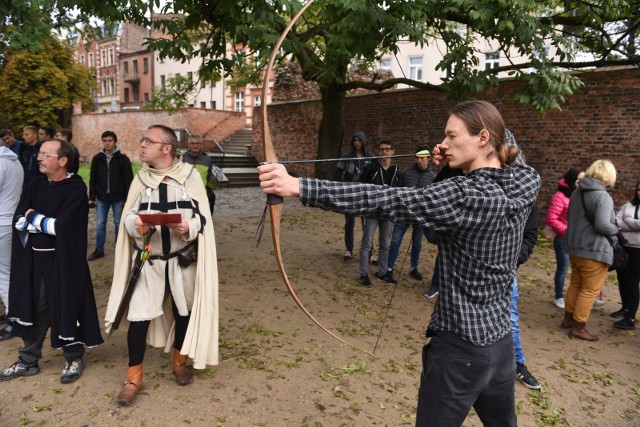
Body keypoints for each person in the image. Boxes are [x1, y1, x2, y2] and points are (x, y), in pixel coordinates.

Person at [258, 100, 540, 426]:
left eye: (451, 136)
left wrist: (298, 186)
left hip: (459, 353)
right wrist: (454, 160)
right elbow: (510, 145)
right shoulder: (525, 180)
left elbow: (388, 199)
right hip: (501, 347)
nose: (443, 144)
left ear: (482, 137)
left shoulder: (462, 196)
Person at [104, 124, 219, 406]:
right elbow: (129, 215)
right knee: (139, 318)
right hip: (149, 261)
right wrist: (136, 224)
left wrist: (188, 226)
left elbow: (203, 218)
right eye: (142, 139)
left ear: (166, 148)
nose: (142, 144)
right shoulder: (141, 179)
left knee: (184, 312)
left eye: (148, 141)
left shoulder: (190, 177)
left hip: (182, 261)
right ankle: (133, 378)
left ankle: (179, 361)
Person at [0, 138, 104, 383]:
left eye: (46, 154)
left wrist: (34, 217)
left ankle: (73, 356)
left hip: (65, 263)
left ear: (62, 160)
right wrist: (42, 223)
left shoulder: (76, 190)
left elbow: (63, 228)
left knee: (67, 305)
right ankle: (28, 360)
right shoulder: (35, 185)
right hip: (35, 263)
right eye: (40, 154)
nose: (39, 158)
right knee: (34, 308)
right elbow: (18, 220)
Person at [561, 160, 618, 341]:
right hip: (594, 250)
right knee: (590, 290)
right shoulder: (603, 196)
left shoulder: (577, 192)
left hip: (575, 248)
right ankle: (579, 326)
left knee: (576, 283)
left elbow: (570, 216)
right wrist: (617, 228)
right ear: (608, 176)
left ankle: (568, 319)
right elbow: (603, 225)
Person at [386, 148, 436, 281]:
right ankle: (389, 268)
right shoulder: (406, 173)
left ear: (428, 158)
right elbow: (398, 191)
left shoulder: (432, 177)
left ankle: (414, 267)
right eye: (417, 158)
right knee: (395, 240)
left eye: (422, 158)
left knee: (417, 243)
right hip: (404, 213)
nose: (419, 160)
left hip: (420, 216)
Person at [358, 140, 400, 287]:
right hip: (372, 212)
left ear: (392, 152)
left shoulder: (396, 171)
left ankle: (382, 272)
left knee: (385, 244)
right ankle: (363, 273)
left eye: (387, 150)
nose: (384, 152)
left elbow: (399, 191)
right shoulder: (371, 168)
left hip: (387, 213)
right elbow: (361, 186)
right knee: (367, 243)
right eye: (382, 150)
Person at [87, 131, 134, 261]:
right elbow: (93, 178)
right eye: (105, 141)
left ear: (115, 142)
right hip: (102, 197)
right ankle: (99, 249)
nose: (107, 143)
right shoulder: (97, 158)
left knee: (119, 223)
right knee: (100, 224)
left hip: (118, 197)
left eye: (110, 140)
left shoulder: (123, 159)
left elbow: (128, 179)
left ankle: (120, 249)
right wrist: (91, 197)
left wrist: (127, 198)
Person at [512, 205, 541, 390]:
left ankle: (517, 364)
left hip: (506, 270)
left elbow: (530, 234)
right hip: (469, 270)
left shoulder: (523, 194)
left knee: (510, 319)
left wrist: (515, 258)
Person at [334, 131, 375, 261]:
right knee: (349, 223)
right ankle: (349, 250)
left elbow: (376, 175)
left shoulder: (371, 157)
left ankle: (369, 253)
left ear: (363, 142)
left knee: (367, 225)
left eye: (359, 140)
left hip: (365, 195)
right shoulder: (347, 156)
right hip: (350, 194)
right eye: (355, 140)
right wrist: (341, 189)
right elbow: (337, 174)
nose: (357, 143)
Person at [545, 168, 580, 310]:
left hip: (578, 239)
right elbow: (551, 219)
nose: (582, 184)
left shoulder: (579, 195)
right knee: (563, 268)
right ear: (572, 181)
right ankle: (559, 296)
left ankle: (582, 295)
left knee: (579, 268)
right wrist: (567, 231)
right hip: (563, 238)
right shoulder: (560, 196)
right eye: (579, 181)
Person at [0, 140, 23, 341]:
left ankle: (13, 317)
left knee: (5, 274)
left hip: (2, 221)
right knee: (8, 272)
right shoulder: (13, 160)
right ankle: (13, 311)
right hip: (10, 219)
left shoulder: (1, 162)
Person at [612, 181, 640, 330]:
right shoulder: (628, 205)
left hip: (638, 249)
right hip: (624, 246)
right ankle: (624, 307)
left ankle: (630, 317)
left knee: (633, 282)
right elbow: (616, 220)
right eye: (639, 188)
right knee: (622, 278)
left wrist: (627, 222)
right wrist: (631, 224)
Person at [182, 134, 216, 214]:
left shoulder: (207, 159)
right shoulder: (182, 159)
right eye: (192, 143)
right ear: (189, 145)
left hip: (202, 194)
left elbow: (209, 175)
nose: (195, 145)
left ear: (201, 144)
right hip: (186, 195)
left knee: (203, 218)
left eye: (198, 143)